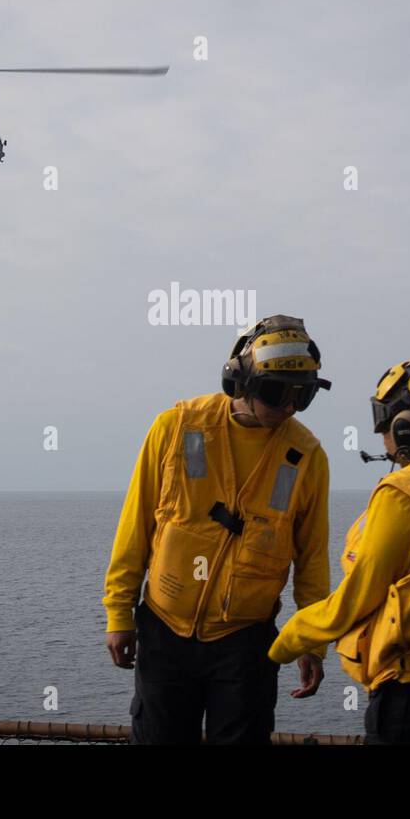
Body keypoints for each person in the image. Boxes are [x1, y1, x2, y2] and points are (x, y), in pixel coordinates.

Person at [103, 315, 332, 744]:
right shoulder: (177, 428)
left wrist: (313, 642)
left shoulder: (306, 457)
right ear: (239, 381)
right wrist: (119, 613)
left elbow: (313, 560)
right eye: (277, 391)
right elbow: (135, 525)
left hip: (245, 643)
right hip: (164, 631)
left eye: (302, 396)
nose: (288, 407)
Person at [269, 356, 410, 744]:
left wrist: (284, 643)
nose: (380, 432)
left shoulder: (404, 494)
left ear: (407, 426)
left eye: (383, 418)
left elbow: (353, 602)